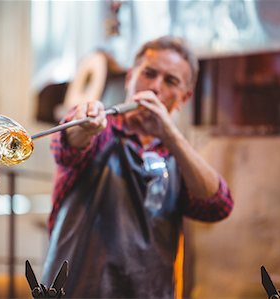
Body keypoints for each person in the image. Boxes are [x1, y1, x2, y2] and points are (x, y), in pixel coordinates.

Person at [43, 36, 234, 298]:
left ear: (185, 97)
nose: (155, 87)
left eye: (170, 81)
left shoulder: (179, 157)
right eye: (149, 74)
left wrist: (170, 135)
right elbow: (67, 146)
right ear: (130, 77)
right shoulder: (101, 131)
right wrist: (83, 126)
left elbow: (218, 205)